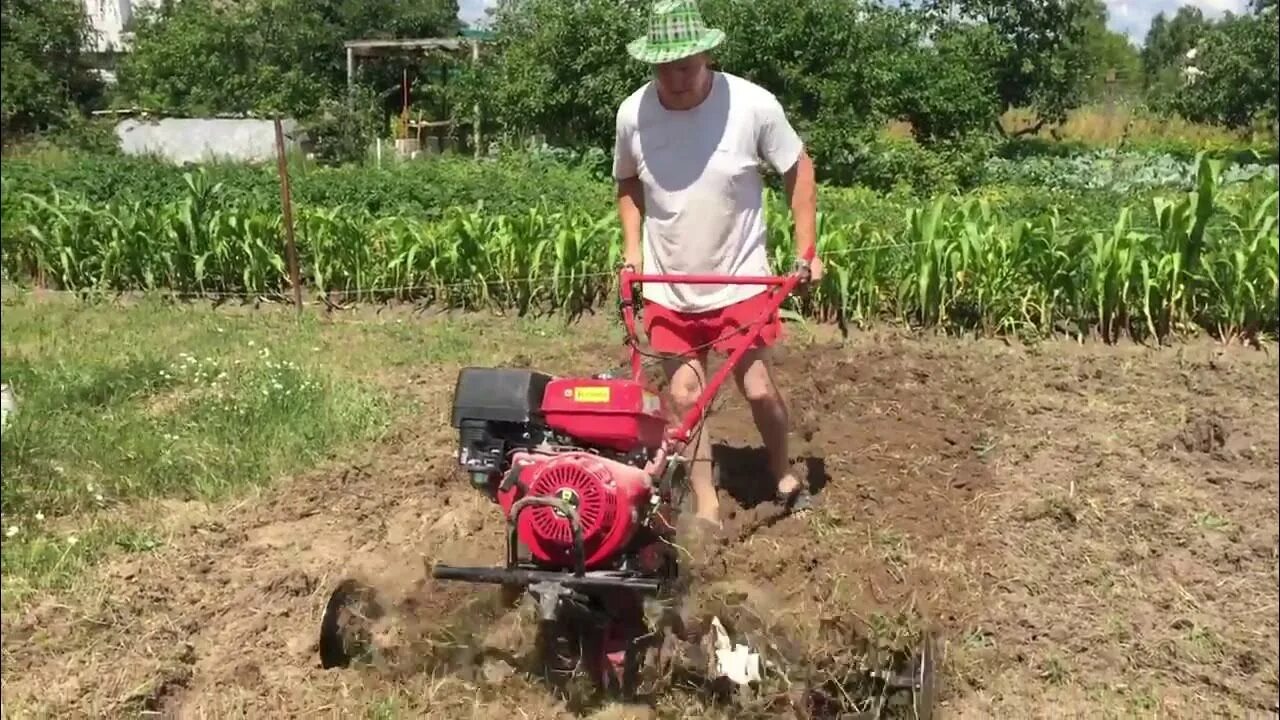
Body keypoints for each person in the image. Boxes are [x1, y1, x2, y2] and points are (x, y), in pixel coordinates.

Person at [612, 0, 823, 533]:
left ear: (706, 54)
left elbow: (797, 167)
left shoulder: (752, 106)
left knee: (757, 388)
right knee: (684, 398)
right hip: (668, 282)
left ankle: (781, 472)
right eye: (663, 67)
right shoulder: (633, 113)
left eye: (685, 65)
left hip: (741, 278)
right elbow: (628, 181)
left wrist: (807, 248)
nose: (675, 78)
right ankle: (706, 503)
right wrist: (633, 249)